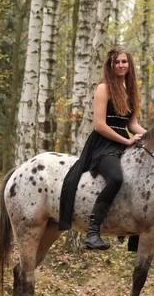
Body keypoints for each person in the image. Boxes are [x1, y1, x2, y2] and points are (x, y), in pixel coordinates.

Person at [59, 46, 147, 250]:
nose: (121, 65)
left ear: (129, 64)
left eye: (124, 61)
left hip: (122, 141)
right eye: (116, 62)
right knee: (116, 177)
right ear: (110, 65)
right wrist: (126, 141)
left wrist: (153, 134)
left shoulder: (130, 89)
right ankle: (92, 233)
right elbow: (99, 125)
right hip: (103, 144)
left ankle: (136, 237)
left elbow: (131, 124)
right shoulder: (103, 88)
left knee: (140, 176)